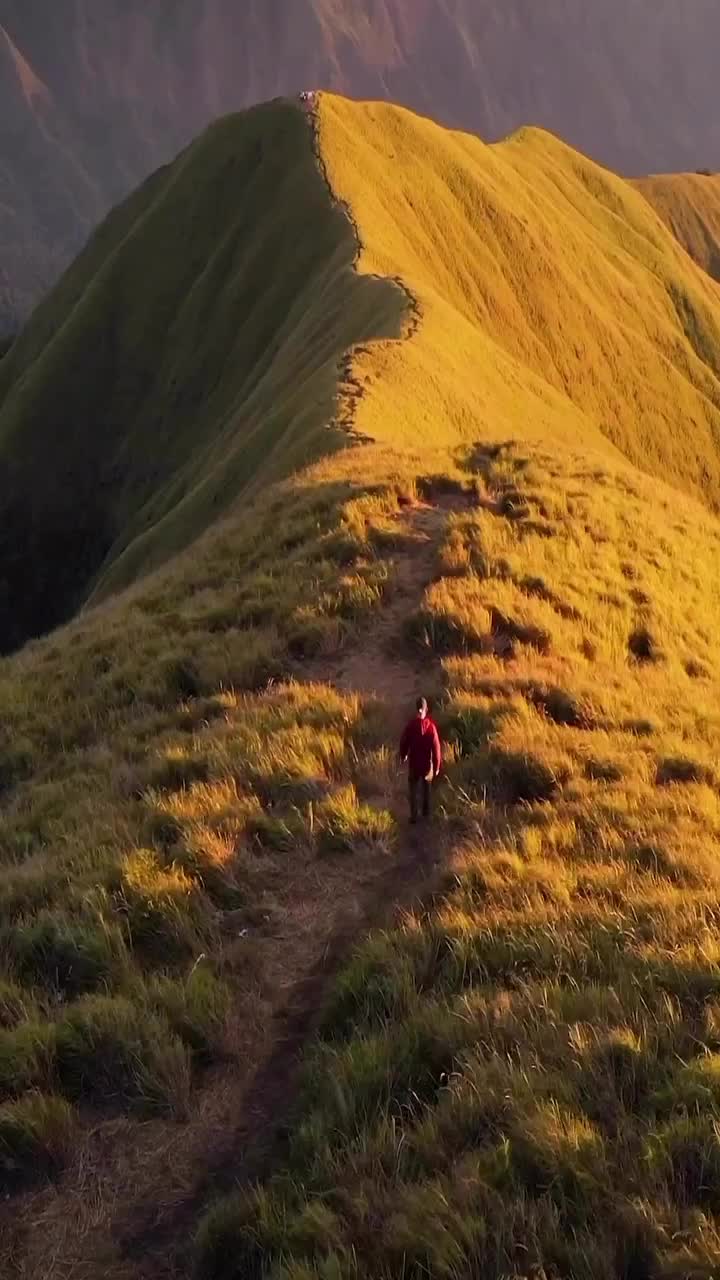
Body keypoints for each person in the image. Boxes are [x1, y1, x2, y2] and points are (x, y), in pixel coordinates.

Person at [399, 697, 442, 824]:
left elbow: (404, 741)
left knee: (413, 789)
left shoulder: (411, 726)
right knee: (427, 788)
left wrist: (403, 755)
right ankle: (426, 813)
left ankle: (414, 815)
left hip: (414, 764)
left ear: (416, 709)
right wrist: (437, 765)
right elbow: (436, 748)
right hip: (427, 765)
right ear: (426, 709)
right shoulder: (431, 727)